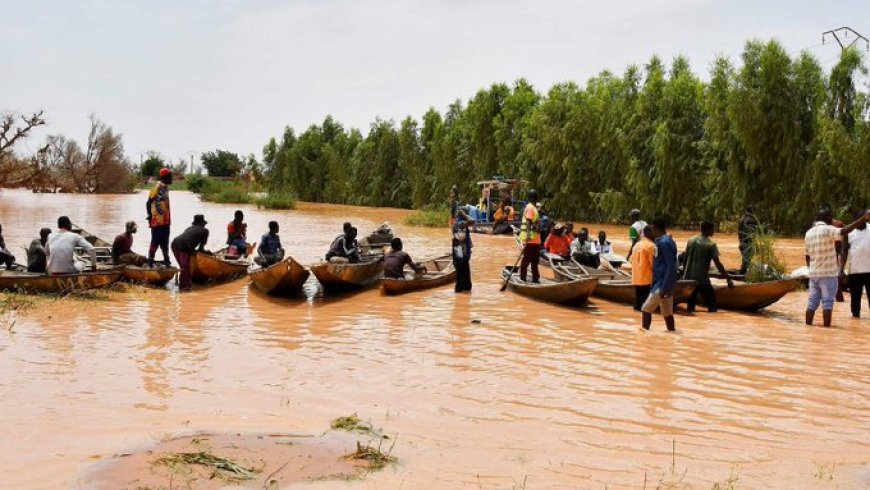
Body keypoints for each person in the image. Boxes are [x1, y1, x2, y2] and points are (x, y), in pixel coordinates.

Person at [804, 207, 869, 327]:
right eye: (831, 217)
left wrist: (810, 269)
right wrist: (862, 219)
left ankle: (808, 328)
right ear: (828, 218)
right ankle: (827, 331)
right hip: (828, 275)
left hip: (814, 275)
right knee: (827, 303)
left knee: (812, 303)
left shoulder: (808, 233)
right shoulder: (828, 230)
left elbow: (807, 256)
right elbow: (844, 231)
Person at [682, 221, 734, 313]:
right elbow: (718, 264)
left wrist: (684, 276)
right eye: (713, 229)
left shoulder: (691, 240)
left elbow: (685, 259)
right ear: (707, 230)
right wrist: (728, 278)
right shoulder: (711, 245)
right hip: (702, 280)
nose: (713, 231)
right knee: (712, 303)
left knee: (691, 305)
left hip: (688, 279)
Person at [640, 217, 678, 332]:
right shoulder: (662, 240)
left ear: (655, 228)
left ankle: (644, 334)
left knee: (646, 309)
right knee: (667, 312)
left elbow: (671, 265)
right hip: (661, 282)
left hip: (662, 283)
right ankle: (672, 333)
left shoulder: (664, 242)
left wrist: (665, 287)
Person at [840, 209, 870, 318]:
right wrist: (841, 270)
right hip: (854, 272)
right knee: (855, 302)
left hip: (869, 271)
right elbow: (844, 251)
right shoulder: (849, 232)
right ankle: (855, 321)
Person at [171, 215, 210, 291]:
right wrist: (207, 253)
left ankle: (183, 284)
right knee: (186, 268)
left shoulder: (189, 228)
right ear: (203, 223)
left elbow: (188, 241)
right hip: (184, 247)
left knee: (184, 267)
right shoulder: (205, 231)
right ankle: (185, 288)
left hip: (174, 244)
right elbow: (201, 249)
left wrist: (193, 251)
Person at [146, 168, 173, 267]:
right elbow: (148, 202)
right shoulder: (157, 187)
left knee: (165, 243)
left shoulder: (166, 187)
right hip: (157, 222)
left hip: (166, 221)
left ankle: (167, 261)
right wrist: (149, 216)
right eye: (170, 176)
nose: (172, 179)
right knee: (155, 242)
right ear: (166, 177)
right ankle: (150, 262)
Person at [631, 225, 656, 311]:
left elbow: (632, 260)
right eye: (653, 231)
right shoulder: (651, 246)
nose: (655, 234)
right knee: (644, 301)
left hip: (636, 276)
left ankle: (637, 309)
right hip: (646, 277)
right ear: (648, 233)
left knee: (638, 296)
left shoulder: (637, 244)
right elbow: (653, 263)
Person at [518, 189, 541, 283]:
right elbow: (528, 222)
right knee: (526, 260)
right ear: (534, 198)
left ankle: (536, 278)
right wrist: (528, 235)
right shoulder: (530, 208)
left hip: (536, 239)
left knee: (535, 261)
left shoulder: (534, 208)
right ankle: (522, 278)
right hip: (530, 239)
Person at [452, 219, 473, 292]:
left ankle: (464, 289)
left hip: (462, 254)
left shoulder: (457, 225)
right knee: (461, 275)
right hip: (460, 255)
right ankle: (463, 289)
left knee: (464, 274)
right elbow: (472, 221)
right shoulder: (460, 225)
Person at [738, 206, 758, 274]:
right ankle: (743, 274)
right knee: (747, 260)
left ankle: (743, 273)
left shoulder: (742, 219)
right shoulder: (751, 220)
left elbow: (740, 232)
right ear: (752, 211)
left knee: (745, 260)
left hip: (742, 242)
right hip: (748, 243)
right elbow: (752, 233)